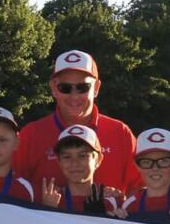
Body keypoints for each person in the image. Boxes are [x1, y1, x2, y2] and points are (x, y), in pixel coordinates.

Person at [14, 50, 142, 195]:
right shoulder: (31, 135)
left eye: (82, 87)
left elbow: (141, 190)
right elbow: (13, 190)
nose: (74, 96)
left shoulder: (120, 133)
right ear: (54, 88)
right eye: (65, 88)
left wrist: (118, 201)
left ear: (96, 88)